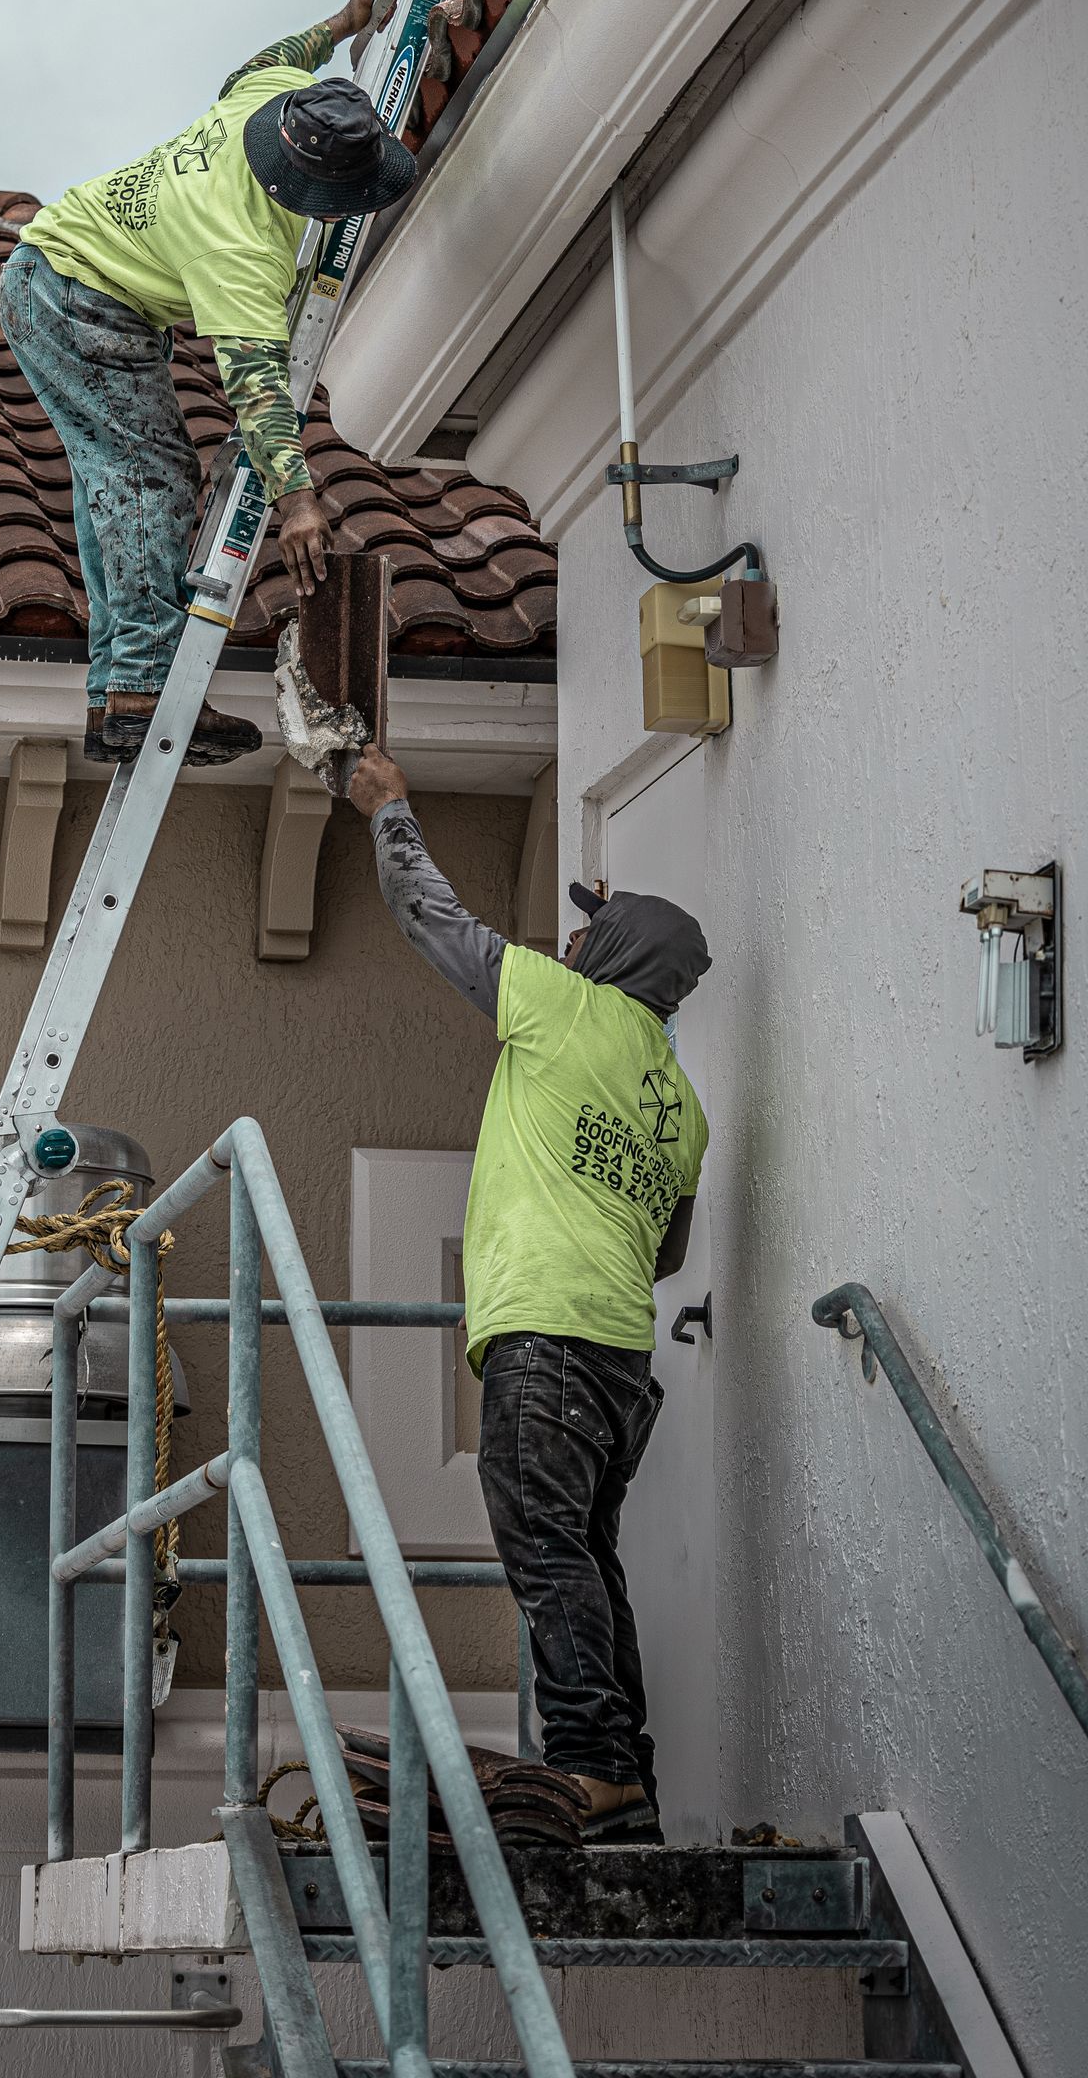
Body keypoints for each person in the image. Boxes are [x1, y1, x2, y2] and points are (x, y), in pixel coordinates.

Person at [346, 746, 710, 1844]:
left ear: (620, 951)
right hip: (618, 1355)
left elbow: (432, 920)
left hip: (544, 1339)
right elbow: (661, 1253)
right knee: (586, 1553)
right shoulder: (684, 1105)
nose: (571, 936)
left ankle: (593, 1764)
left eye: (591, 927)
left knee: (549, 1553)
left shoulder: (559, 1007)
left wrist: (391, 810)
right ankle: (620, 1777)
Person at [0, 0, 411, 766]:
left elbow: (262, 63)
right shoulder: (238, 249)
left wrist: (343, 24)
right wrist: (297, 502)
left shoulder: (269, 101)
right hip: (77, 296)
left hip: (49, 275)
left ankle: (118, 695)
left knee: (115, 483)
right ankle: (142, 693)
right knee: (150, 478)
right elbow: (257, 392)